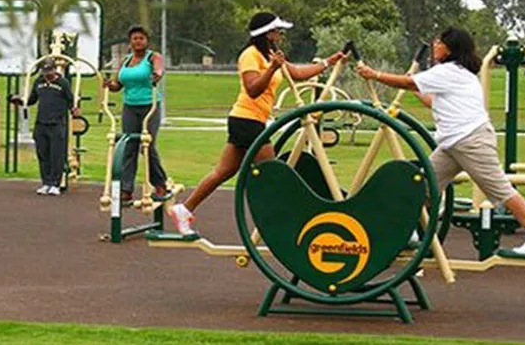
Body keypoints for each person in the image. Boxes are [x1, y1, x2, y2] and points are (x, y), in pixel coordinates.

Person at [356, 27, 525, 255]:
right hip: (452, 145)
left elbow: (409, 83)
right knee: (425, 187)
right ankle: (407, 231)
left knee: (498, 189)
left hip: (470, 140)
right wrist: (411, 86)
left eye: (439, 42)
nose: (434, 45)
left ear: (450, 48)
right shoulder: (456, 74)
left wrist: (374, 74)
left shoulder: (450, 71)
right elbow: (430, 99)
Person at [168, 12, 347, 235]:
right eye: (277, 31)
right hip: (247, 120)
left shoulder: (270, 55)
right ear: (267, 34)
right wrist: (272, 68)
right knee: (273, 174)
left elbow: (298, 73)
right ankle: (283, 223)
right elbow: (252, 89)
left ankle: (184, 209)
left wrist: (329, 62)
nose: (281, 35)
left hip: (251, 120)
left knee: (223, 172)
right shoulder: (250, 56)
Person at [103, 25, 169, 203]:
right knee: (128, 146)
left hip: (150, 106)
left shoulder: (153, 57)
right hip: (130, 107)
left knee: (147, 145)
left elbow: (159, 69)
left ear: (146, 41)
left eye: (141, 38)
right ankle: (126, 189)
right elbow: (118, 85)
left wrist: (157, 74)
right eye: (134, 38)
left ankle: (160, 184)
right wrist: (110, 84)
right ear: (130, 42)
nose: (138, 41)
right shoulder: (126, 61)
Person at [11, 59, 79, 196]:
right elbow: (32, 100)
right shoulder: (39, 82)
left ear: (55, 70)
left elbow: (71, 100)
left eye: (49, 71)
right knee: (43, 153)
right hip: (41, 122)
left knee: (57, 154)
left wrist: (74, 109)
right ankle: (46, 182)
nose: (47, 74)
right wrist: (18, 100)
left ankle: (55, 183)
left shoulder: (63, 83)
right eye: (44, 71)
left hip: (57, 123)